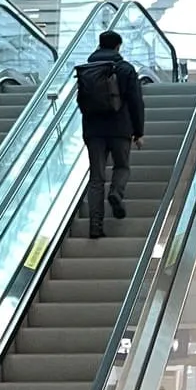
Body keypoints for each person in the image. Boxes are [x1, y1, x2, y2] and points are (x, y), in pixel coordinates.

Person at [76, 28, 144, 240]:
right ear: (118, 46)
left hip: (94, 131)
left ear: (99, 45)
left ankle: (95, 226)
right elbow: (135, 101)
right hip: (120, 129)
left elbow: (81, 101)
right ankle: (115, 193)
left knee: (96, 178)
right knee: (122, 166)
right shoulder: (125, 69)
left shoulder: (87, 70)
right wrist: (138, 132)